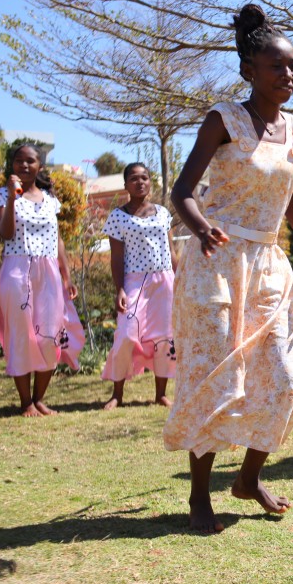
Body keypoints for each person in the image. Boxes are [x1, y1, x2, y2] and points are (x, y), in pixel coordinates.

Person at [162, 3, 293, 531]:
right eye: (276, 67)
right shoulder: (224, 119)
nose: (288, 75)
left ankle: (248, 478)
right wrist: (201, 228)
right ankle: (200, 498)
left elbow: (289, 198)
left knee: (286, 377)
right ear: (248, 71)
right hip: (217, 261)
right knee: (215, 378)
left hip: (269, 264)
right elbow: (181, 192)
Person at [0, 142, 84, 417]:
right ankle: (25, 403)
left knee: (50, 333)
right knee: (20, 334)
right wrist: (10, 197)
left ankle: (40, 398)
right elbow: (5, 234)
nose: (24, 165)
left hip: (49, 273)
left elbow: (58, 241)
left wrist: (66, 275)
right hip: (16, 271)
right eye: (19, 161)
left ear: (40, 166)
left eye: (30, 161)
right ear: (12, 165)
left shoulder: (50, 200)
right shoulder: (0, 196)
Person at [100, 163, 178, 410]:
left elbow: (171, 251)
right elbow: (116, 258)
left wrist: (181, 278)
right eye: (134, 179)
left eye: (144, 178)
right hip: (134, 282)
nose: (140, 182)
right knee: (125, 334)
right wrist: (120, 289)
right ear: (126, 185)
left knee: (164, 337)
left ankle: (161, 394)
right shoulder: (117, 217)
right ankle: (117, 394)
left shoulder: (163, 213)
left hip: (164, 282)